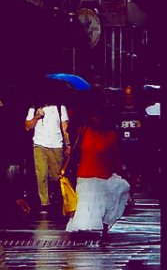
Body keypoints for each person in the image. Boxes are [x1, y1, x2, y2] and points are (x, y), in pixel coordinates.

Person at [64, 100, 130, 244]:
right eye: (92, 116)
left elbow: (115, 157)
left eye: (97, 116)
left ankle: (103, 227)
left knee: (103, 203)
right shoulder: (82, 131)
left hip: (101, 175)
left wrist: (121, 173)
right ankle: (88, 232)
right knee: (88, 206)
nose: (94, 119)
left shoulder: (111, 136)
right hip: (85, 175)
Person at [24, 100, 68, 223]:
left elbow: (65, 127)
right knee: (41, 175)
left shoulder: (60, 106)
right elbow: (27, 126)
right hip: (39, 144)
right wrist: (37, 117)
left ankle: (56, 198)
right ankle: (44, 203)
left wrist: (68, 144)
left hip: (56, 145)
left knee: (55, 176)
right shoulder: (34, 106)